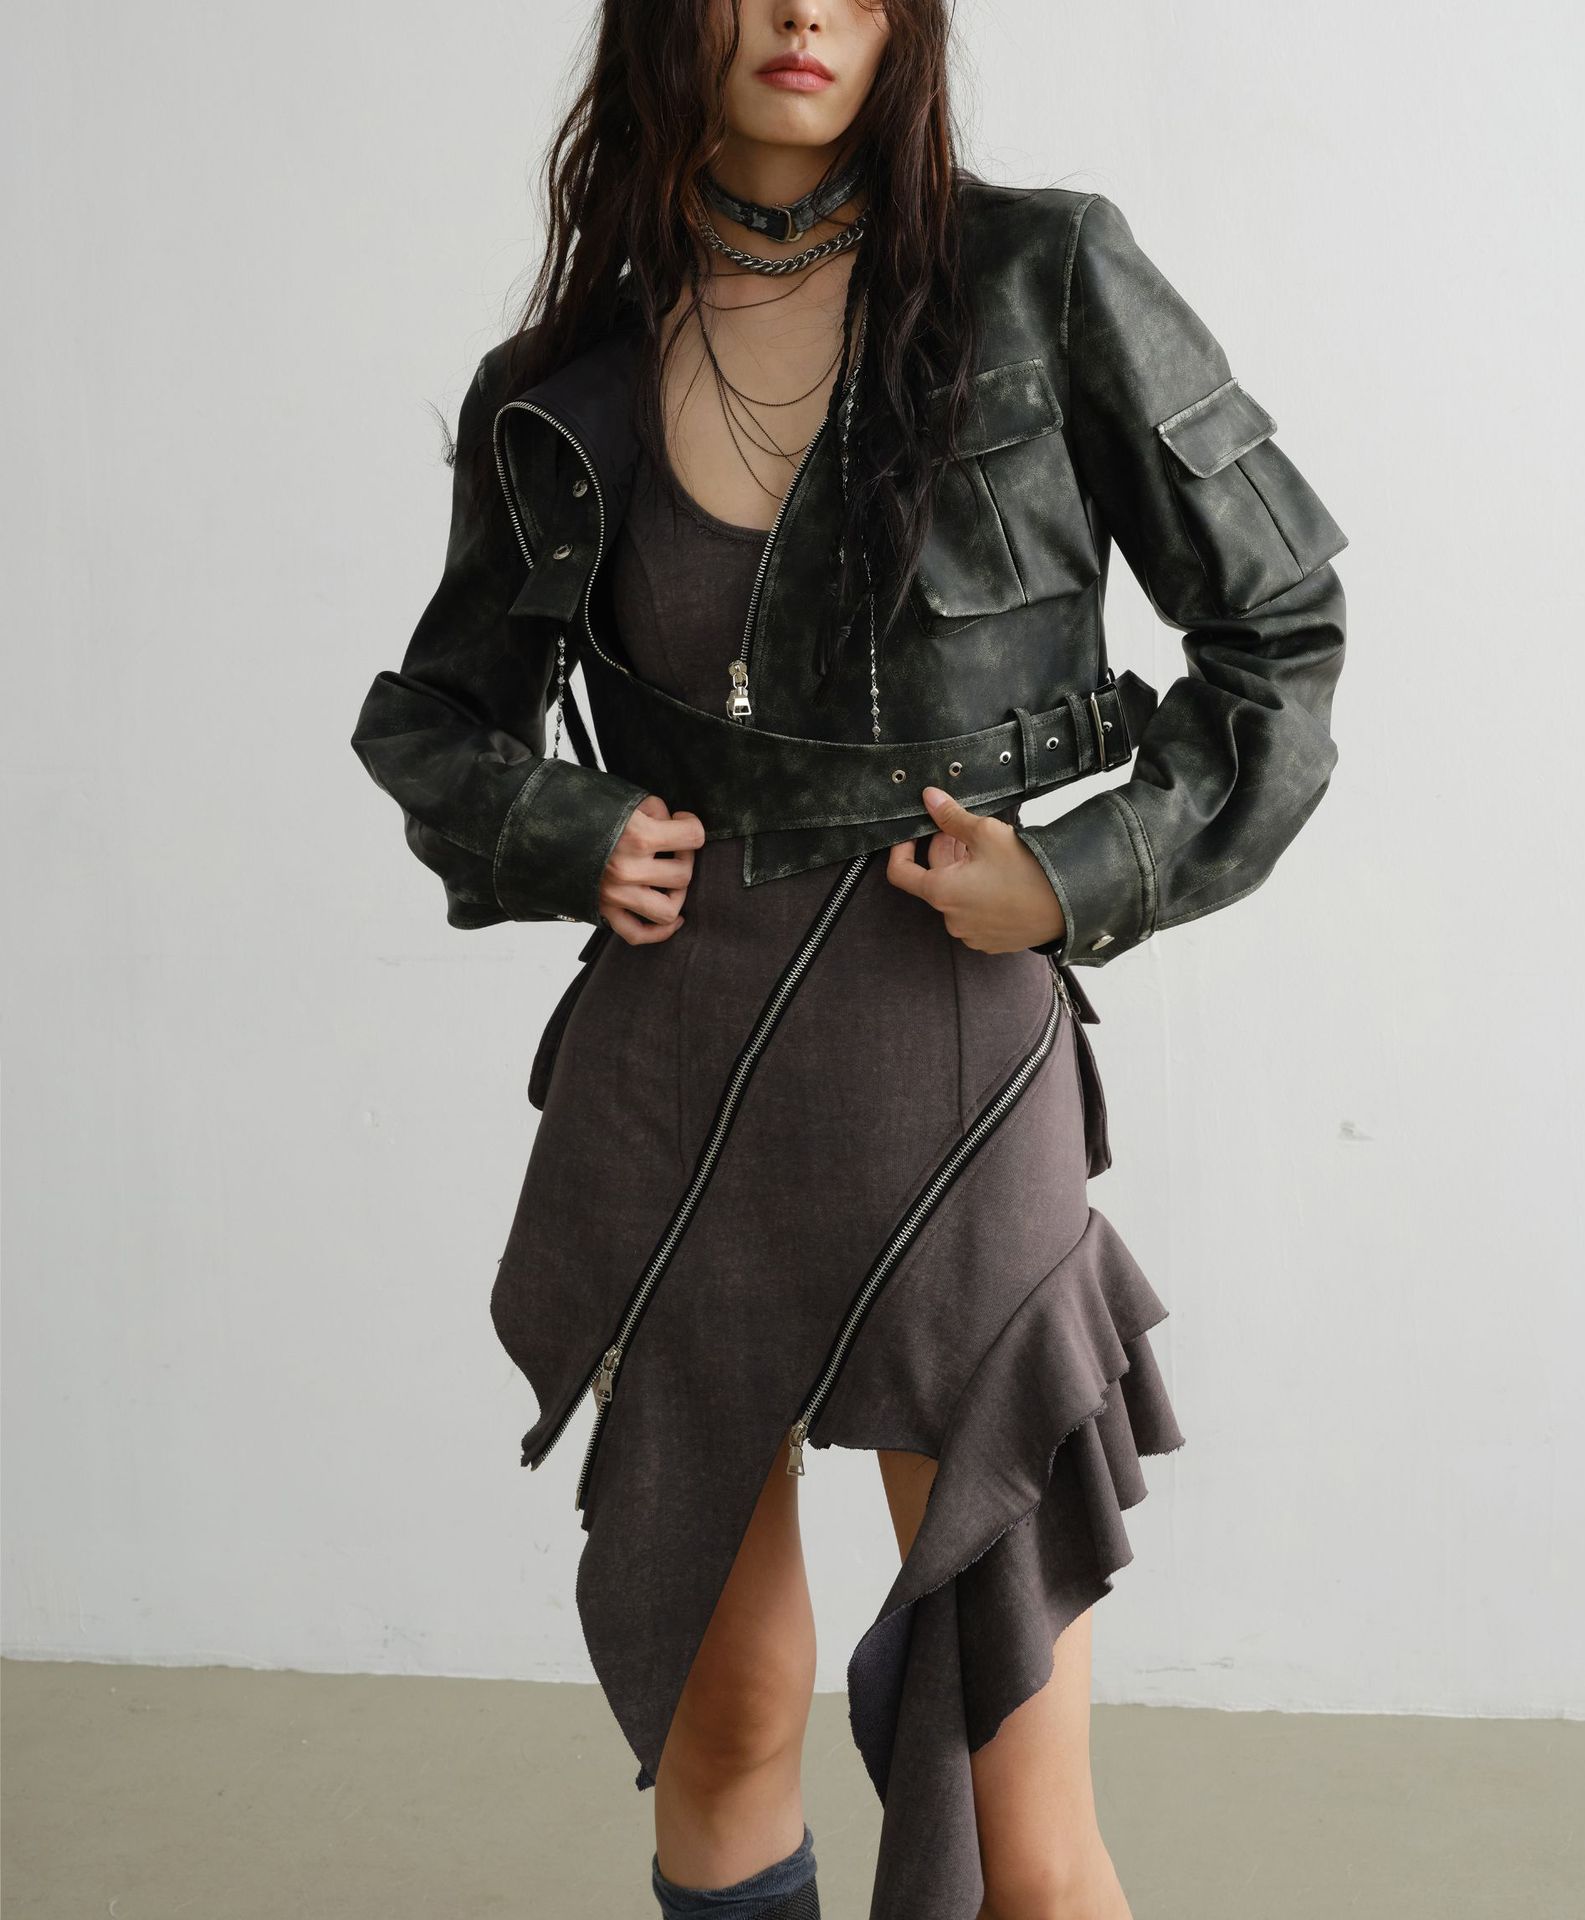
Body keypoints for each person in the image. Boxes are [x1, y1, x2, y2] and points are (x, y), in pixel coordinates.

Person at [350, 4, 1349, 1915]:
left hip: (952, 1050)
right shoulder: (559, 382)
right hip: (674, 1070)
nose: (805, 9)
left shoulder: (1046, 273)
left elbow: (1279, 631)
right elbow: (437, 721)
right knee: (725, 1721)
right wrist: (565, 831)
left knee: (1018, 1802)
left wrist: (1078, 872)